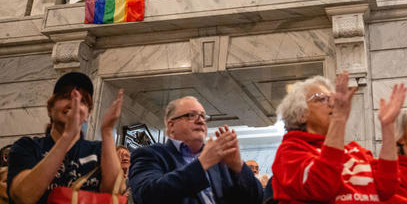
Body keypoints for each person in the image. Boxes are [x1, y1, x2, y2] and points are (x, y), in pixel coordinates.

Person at [271, 72, 406, 204]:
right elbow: (321, 187)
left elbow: (387, 188)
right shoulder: (289, 151)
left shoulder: (356, 151)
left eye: (332, 98)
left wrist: (388, 126)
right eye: (321, 98)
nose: (332, 104)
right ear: (301, 114)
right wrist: (339, 118)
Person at [7, 72, 124, 204]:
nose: (73, 103)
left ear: (87, 115)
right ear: (50, 109)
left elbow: (115, 193)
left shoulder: (98, 150)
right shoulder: (27, 146)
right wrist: (67, 137)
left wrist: (107, 131)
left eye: (83, 101)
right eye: (66, 96)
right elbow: (24, 197)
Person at [128, 96, 262, 204]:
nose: (201, 121)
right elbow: (147, 196)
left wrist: (238, 165)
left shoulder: (220, 160)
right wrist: (201, 164)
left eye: (203, 116)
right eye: (191, 115)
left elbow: (256, 199)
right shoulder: (150, 154)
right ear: (171, 125)